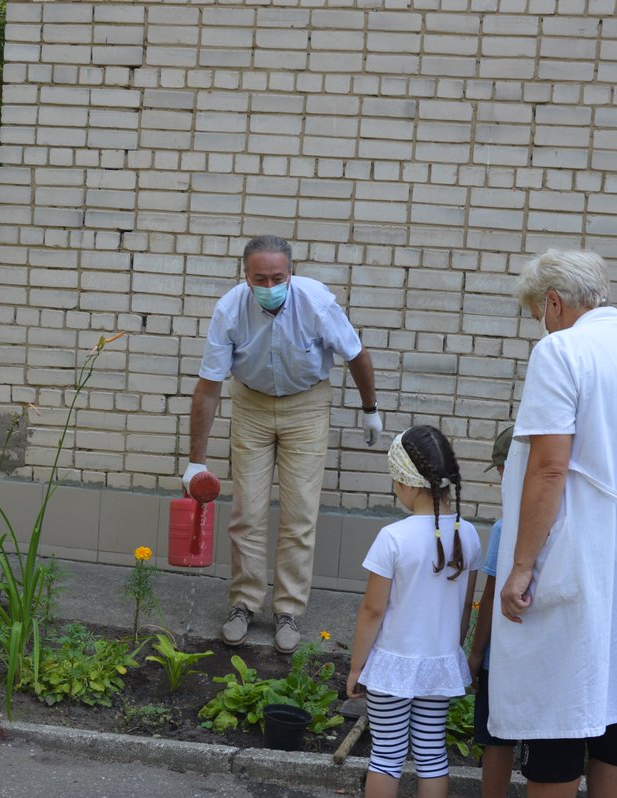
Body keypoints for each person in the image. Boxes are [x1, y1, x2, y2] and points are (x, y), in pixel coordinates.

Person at [490, 249, 617, 798]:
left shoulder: (561, 351)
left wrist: (520, 568)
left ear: (554, 303)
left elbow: (550, 465)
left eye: (538, 310)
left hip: (580, 550)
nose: (541, 321)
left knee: (561, 695)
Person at [182, 235, 381, 654]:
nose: (269, 284)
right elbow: (209, 386)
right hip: (251, 404)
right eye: (260, 277)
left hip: (306, 407)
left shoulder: (317, 303)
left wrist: (369, 409)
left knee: (299, 515)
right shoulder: (229, 309)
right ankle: (244, 604)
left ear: (291, 273)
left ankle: (289, 610)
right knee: (247, 512)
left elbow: (356, 354)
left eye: (278, 276)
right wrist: (195, 462)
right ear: (246, 276)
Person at [347, 426, 482, 798]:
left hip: (393, 665)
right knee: (431, 751)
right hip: (439, 662)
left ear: (408, 482)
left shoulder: (393, 538)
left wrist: (358, 666)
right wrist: (451, 650)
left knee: (387, 755)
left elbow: (372, 610)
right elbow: (464, 609)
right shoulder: (468, 535)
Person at [465, 427, 518, 798]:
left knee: (496, 737)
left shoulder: (505, 527)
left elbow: (489, 595)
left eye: (501, 469)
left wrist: (475, 653)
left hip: (500, 659)